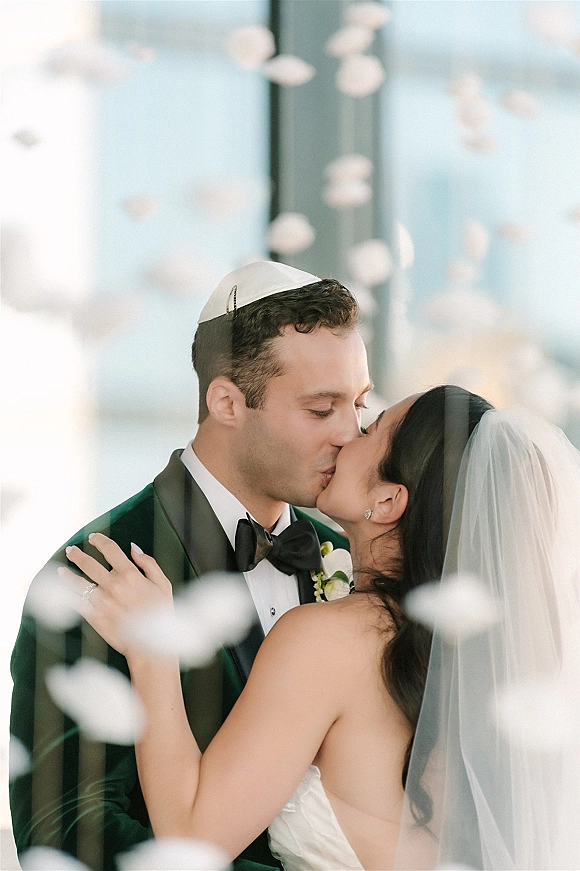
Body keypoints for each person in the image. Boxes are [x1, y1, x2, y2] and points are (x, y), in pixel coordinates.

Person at [65, 385, 580, 871]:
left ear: (386, 502)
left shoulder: (328, 639)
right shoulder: (477, 656)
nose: (345, 435)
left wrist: (152, 650)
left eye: (369, 427)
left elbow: (192, 836)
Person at [10, 260, 372, 871]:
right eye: (321, 409)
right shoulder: (94, 571)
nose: (350, 433)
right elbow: (67, 831)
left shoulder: (345, 555)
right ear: (227, 401)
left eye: (358, 404)